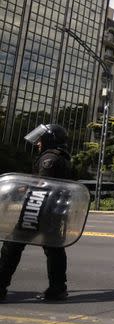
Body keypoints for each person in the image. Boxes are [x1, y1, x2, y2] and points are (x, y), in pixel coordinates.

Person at [0, 124, 73, 301]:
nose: (38, 143)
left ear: (50, 139)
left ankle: (0, 285)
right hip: (51, 213)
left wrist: (22, 189)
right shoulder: (60, 157)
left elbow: (43, 185)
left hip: (38, 209)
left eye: (41, 139)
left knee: (12, 246)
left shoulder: (49, 159)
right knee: (54, 249)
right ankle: (57, 289)